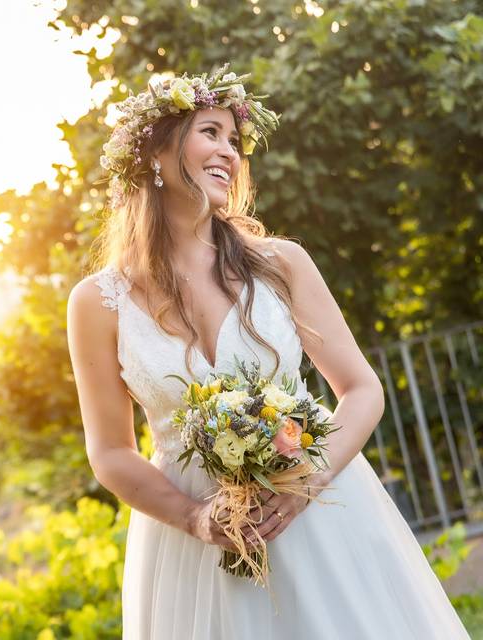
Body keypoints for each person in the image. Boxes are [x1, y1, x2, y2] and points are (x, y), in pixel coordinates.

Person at [66, 64, 469, 639]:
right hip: (194, 546)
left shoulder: (280, 265)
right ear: (155, 152)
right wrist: (196, 519)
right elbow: (109, 451)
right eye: (210, 132)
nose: (228, 152)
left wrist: (308, 479)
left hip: (319, 513)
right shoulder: (97, 302)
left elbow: (361, 390)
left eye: (235, 141)